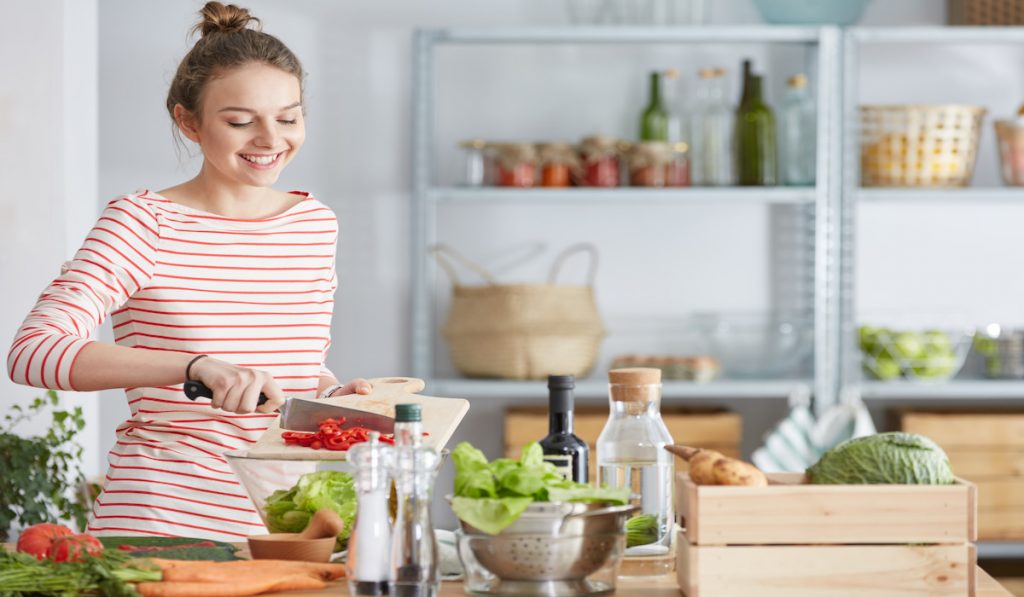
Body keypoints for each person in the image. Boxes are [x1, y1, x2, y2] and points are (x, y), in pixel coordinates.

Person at [6, 1, 370, 540]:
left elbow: (285, 364)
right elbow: (33, 351)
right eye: (241, 121)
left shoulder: (315, 224)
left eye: (289, 118)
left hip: (284, 525)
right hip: (163, 520)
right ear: (188, 121)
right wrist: (195, 366)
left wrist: (331, 398)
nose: (271, 140)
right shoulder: (143, 222)